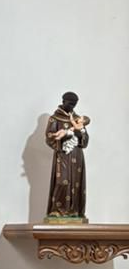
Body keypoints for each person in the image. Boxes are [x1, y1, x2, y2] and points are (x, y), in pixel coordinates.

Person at [46, 92, 89, 220]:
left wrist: (80, 135)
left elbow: (85, 140)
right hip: (63, 154)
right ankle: (57, 211)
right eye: (70, 104)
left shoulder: (78, 119)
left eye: (74, 104)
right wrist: (62, 139)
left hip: (77, 155)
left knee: (76, 183)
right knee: (62, 181)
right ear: (63, 101)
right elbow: (49, 137)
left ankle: (74, 211)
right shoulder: (55, 118)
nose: (72, 107)